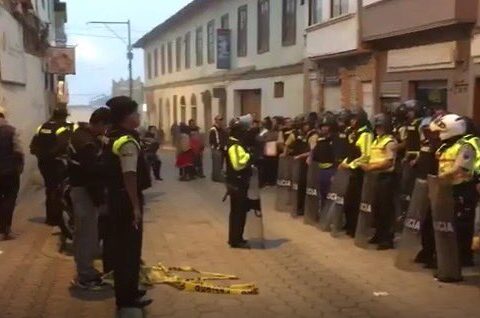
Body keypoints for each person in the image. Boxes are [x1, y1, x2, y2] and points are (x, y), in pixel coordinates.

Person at [104, 96, 152, 309]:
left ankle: (128, 289)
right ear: (127, 117)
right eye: (136, 113)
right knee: (129, 250)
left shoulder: (112, 135)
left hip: (116, 197)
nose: (139, 116)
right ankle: (127, 297)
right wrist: (135, 207)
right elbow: (129, 175)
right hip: (126, 199)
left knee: (122, 247)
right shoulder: (127, 141)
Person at [68, 108, 111, 290]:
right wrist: (100, 200)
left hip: (80, 189)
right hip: (84, 191)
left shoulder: (81, 135)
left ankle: (86, 271)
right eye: (106, 126)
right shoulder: (86, 144)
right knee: (86, 235)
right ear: (100, 124)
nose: (107, 130)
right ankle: (85, 277)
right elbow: (92, 174)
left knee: (83, 234)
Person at [430, 114, 479, 267]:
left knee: (462, 225)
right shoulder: (448, 146)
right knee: (450, 225)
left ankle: (463, 258)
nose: (438, 135)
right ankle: (449, 257)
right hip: (448, 189)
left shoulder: (466, 145)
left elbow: (460, 168)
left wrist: (441, 178)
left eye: (441, 131)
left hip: (463, 188)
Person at [30, 107, 73, 226]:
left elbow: (33, 146)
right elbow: (63, 144)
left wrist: (42, 155)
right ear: (64, 116)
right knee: (59, 189)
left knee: (50, 189)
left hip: (43, 162)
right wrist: (54, 155)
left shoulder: (42, 126)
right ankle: (57, 218)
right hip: (57, 162)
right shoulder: (63, 127)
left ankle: (50, 218)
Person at [360, 113, 397, 250]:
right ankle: (378, 234)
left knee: (385, 209)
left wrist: (371, 167)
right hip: (374, 177)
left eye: (380, 126)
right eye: (376, 126)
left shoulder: (390, 142)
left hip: (385, 178)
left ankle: (387, 239)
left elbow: (388, 162)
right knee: (376, 208)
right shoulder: (376, 140)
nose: (378, 129)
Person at [341, 108, 373, 237]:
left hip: (360, 173)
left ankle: (355, 229)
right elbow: (351, 152)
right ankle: (349, 225)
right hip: (352, 171)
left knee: (355, 202)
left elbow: (366, 156)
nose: (352, 121)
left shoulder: (365, 134)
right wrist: (344, 162)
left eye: (355, 118)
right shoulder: (353, 132)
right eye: (351, 118)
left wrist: (350, 165)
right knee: (348, 201)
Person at [414, 117, 440, 268]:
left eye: (429, 130)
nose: (426, 133)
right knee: (423, 222)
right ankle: (425, 251)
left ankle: (434, 254)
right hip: (421, 186)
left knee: (432, 222)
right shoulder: (424, 144)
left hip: (434, 188)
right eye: (424, 130)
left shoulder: (439, 146)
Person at [226, 115, 253, 249]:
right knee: (238, 212)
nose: (244, 132)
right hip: (237, 184)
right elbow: (238, 164)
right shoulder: (234, 145)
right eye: (242, 130)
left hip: (236, 183)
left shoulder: (235, 143)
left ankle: (236, 238)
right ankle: (236, 240)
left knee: (237, 212)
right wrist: (250, 156)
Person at [0, 106, 24, 240]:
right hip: (9, 172)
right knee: (9, 200)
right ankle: (6, 231)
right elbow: (18, 151)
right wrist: (20, 167)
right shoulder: (11, 131)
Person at [310, 114, 336, 209]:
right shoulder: (320, 140)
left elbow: (338, 157)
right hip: (321, 170)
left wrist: (335, 173)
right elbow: (315, 156)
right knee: (322, 194)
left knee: (331, 195)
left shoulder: (336, 139)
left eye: (327, 126)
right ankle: (324, 214)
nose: (325, 128)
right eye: (323, 126)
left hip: (331, 170)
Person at [209, 115, 228, 181]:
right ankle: (216, 177)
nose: (221, 121)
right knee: (217, 163)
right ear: (216, 120)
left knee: (220, 163)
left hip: (222, 149)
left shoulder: (221, 129)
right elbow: (213, 140)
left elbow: (224, 138)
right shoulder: (213, 129)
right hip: (217, 149)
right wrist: (218, 147)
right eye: (219, 120)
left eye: (221, 120)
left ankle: (218, 175)